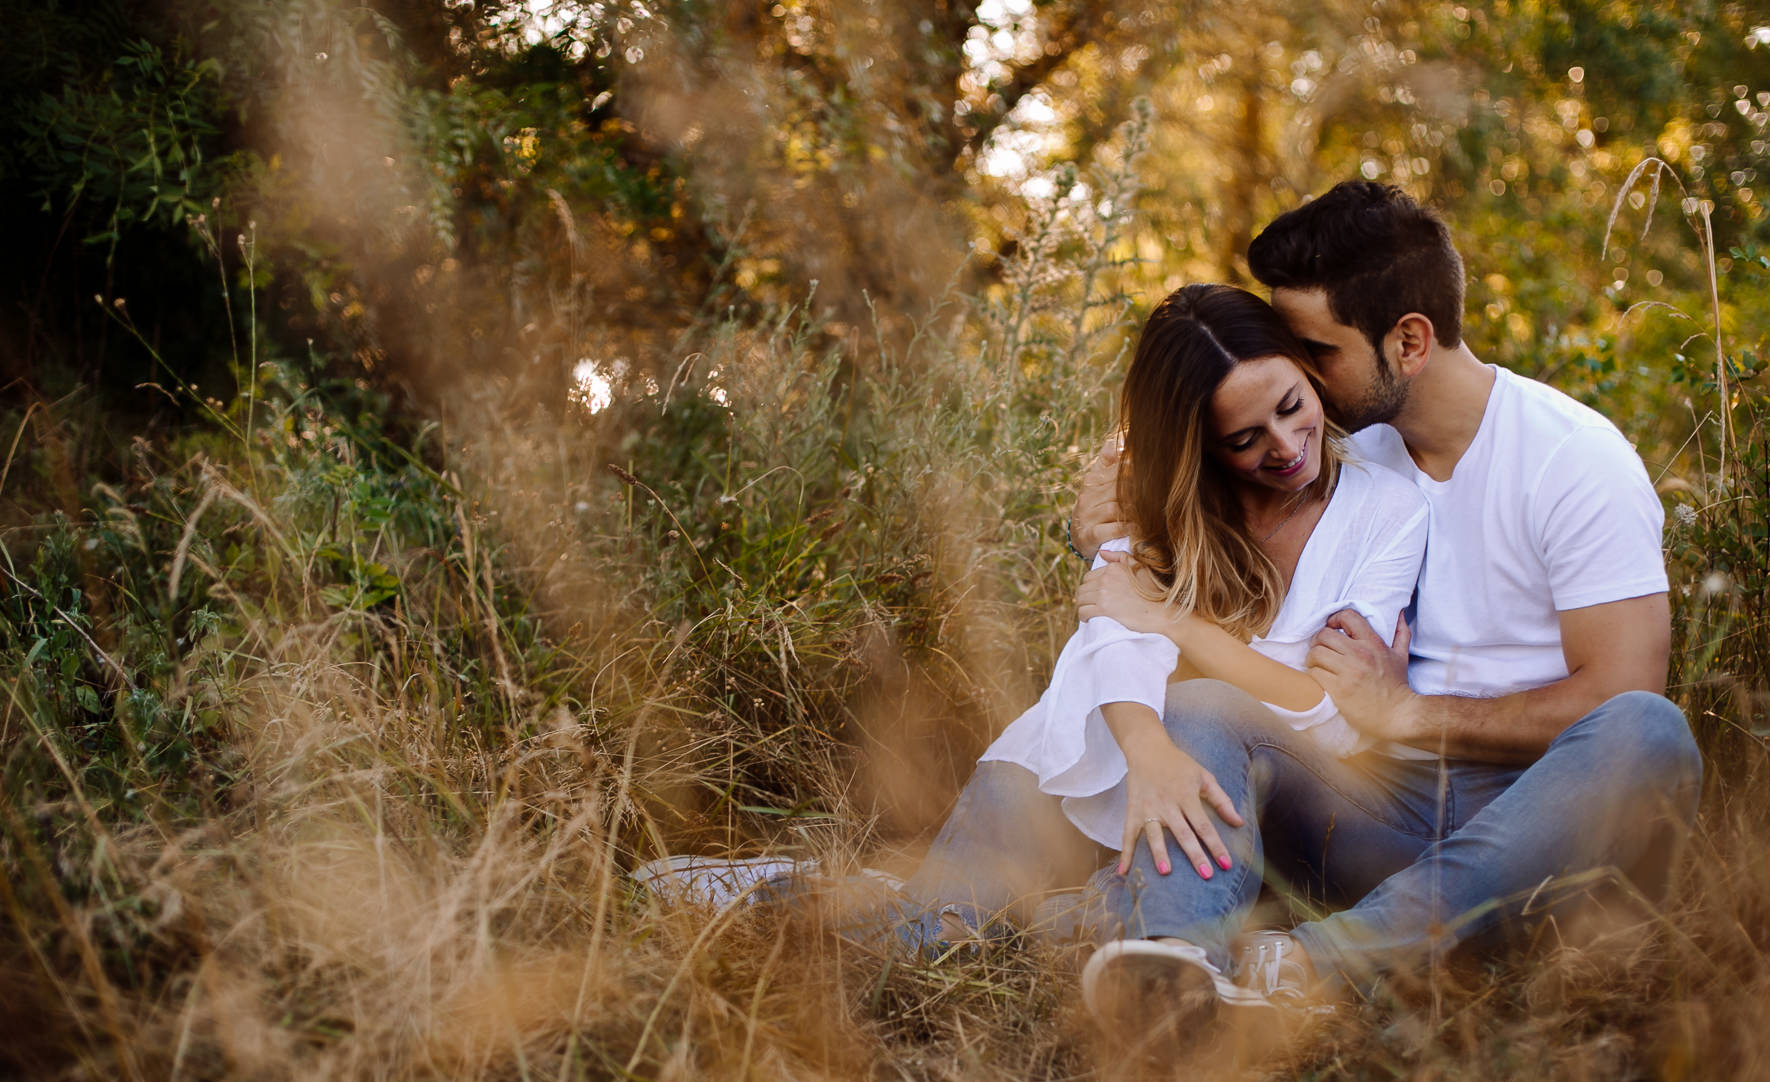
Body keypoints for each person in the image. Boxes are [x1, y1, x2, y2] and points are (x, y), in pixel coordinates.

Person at [638, 283, 1429, 1034]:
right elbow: (1115, 636)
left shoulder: (1383, 506)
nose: (1288, 448)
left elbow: (1327, 721)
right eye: (1244, 440)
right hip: (1076, 761)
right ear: (1200, 444)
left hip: (1206, 803)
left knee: (1029, 932)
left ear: (1307, 371)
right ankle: (778, 894)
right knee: (927, 940)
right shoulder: (1146, 498)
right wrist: (1147, 747)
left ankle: (1130, 947)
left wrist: (1174, 624)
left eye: (1294, 407)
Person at [1070, 181, 1702, 1003]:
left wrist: (1412, 714)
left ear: (1408, 340)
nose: (1301, 375)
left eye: (1317, 351)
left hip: (1533, 822)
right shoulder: (1352, 452)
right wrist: (1107, 540)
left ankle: (1309, 967)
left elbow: (1621, 690)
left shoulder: (1574, 461)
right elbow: (1208, 529)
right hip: (1372, 807)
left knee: (1648, 731)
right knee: (1205, 709)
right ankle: (1175, 968)